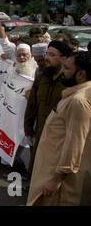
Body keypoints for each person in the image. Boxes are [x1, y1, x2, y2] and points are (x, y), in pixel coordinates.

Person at [27, 51, 91, 206]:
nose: (62, 71)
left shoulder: (78, 102)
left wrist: (56, 180)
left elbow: (74, 146)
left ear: (81, 74)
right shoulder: (75, 95)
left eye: (67, 68)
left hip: (56, 179)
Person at [24, 41, 72, 176]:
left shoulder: (70, 82)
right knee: (37, 166)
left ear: (64, 59)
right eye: (47, 54)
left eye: (52, 55)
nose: (46, 58)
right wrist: (28, 127)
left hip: (59, 136)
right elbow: (32, 104)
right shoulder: (42, 76)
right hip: (40, 131)